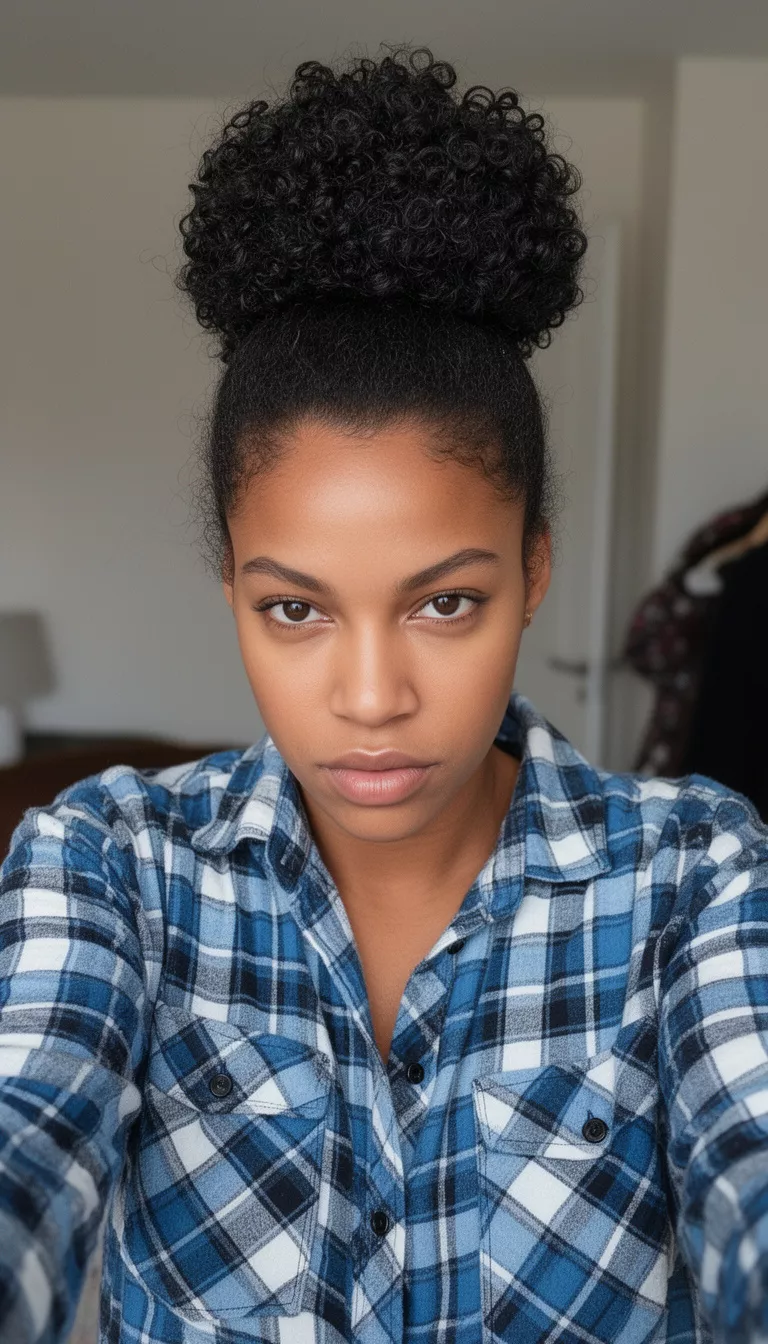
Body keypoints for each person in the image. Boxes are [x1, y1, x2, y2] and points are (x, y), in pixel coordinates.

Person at [1, 43, 767, 1344]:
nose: (369, 696)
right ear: (232, 589)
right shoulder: (109, 862)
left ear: (533, 575)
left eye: (444, 602)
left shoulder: (696, 874)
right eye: (294, 609)